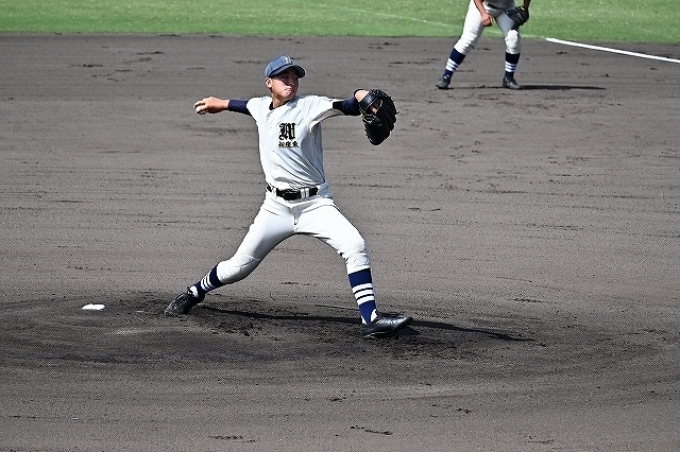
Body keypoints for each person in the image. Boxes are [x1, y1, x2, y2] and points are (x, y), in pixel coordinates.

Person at [165, 55, 412, 338]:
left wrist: (359, 95)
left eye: (295, 77)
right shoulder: (261, 106)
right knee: (237, 268)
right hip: (275, 208)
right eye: (284, 77)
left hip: (315, 204)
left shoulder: (310, 106)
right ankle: (194, 292)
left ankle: (371, 320)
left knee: (354, 245)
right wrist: (219, 103)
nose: (291, 82)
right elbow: (245, 106)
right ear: (269, 83)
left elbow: (346, 106)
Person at [436, 0, 532, 90]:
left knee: (513, 38)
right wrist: (483, 13)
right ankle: (446, 76)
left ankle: (509, 78)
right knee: (468, 39)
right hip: (483, 5)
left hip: (506, 8)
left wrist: (525, 8)